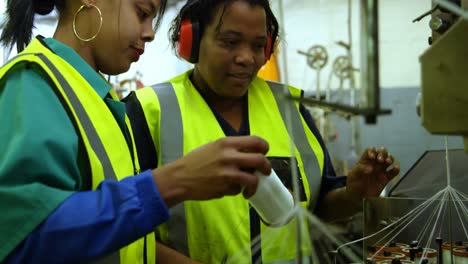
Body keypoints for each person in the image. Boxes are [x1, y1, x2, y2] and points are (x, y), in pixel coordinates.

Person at [125, 0, 401, 263]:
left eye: (258, 45)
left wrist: (353, 195)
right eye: (230, 42)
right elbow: (127, 227)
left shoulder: (290, 108)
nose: (246, 58)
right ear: (192, 41)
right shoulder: (152, 111)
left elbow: (317, 210)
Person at [0, 0, 273, 263]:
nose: (150, 33)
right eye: (142, 13)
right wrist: (172, 182)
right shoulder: (34, 84)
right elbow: (19, 239)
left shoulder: (99, 99)